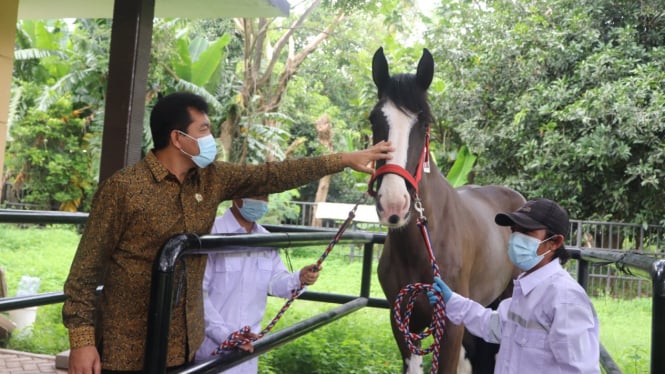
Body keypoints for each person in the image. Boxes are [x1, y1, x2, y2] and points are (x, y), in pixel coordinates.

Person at [62, 91, 393, 374]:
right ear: (178, 138)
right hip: (126, 346)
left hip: (184, 347)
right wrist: (82, 342)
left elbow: (274, 175)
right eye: (203, 130)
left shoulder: (212, 179)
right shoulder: (124, 189)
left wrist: (343, 159)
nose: (211, 139)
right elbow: (84, 272)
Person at [428, 198, 600, 373]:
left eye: (527, 232)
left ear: (554, 242)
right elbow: (496, 326)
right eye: (514, 230)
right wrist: (452, 301)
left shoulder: (565, 298)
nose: (516, 238)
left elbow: (580, 369)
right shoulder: (526, 289)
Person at [194, 195, 319, 372]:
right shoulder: (210, 233)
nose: (262, 201)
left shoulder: (266, 239)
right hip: (211, 348)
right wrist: (226, 336)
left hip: (248, 350)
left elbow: (276, 282)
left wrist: (299, 279)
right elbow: (197, 294)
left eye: (265, 196)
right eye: (256, 195)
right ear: (236, 196)